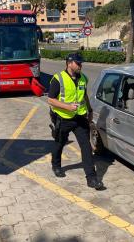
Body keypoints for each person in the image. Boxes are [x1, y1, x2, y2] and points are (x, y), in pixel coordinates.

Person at [47, 53, 104, 190]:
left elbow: (83, 95)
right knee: (59, 143)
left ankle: (92, 179)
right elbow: (50, 100)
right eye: (78, 63)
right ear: (69, 63)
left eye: (81, 63)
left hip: (80, 118)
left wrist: (89, 110)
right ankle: (56, 165)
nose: (80, 66)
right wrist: (68, 107)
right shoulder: (58, 78)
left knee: (86, 148)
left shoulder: (83, 78)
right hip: (63, 118)